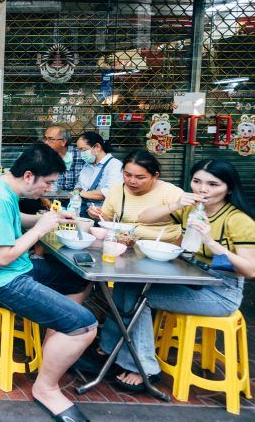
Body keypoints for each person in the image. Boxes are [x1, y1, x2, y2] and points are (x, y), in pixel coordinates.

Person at [95, 159, 254, 393]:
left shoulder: (237, 219)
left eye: (213, 184)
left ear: (228, 188)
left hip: (222, 292)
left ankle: (144, 368)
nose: (202, 189)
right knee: (125, 285)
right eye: (197, 182)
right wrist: (176, 204)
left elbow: (250, 270)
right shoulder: (191, 209)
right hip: (192, 278)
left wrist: (211, 241)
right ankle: (110, 348)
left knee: (141, 299)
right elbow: (145, 217)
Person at [0, 143, 94, 422]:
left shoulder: (1, 185)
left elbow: (15, 220)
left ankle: (58, 343)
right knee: (86, 326)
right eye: (47, 183)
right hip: (0, 280)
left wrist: (50, 219)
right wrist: (40, 229)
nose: (48, 189)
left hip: (15, 269)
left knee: (79, 279)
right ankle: (46, 387)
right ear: (28, 176)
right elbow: (2, 257)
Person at [87, 150, 184, 242]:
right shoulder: (117, 190)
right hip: (125, 246)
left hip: (163, 249)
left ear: (155, 176)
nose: (132, 181)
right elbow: (109, 222)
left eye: (140, 177)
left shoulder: (171, 192)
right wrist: (98, 214)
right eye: (127, 175)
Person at [73, 131, 123, 216]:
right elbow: (80, 185)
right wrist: (76, 192)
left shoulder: (114, 165)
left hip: (101, 214)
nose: (81, 154)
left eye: (83, 150)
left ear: (97, 147)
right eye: (79, 150)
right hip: (83, 210)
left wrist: (80, 194)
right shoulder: (87, 165)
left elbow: (109, 193)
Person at [43, 126, 84, 193]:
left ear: (63, 142)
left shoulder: (80, 155)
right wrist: (44, 200)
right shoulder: (42, 156)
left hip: (76, 198)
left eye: (51, 139)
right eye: (45, 139)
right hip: (50, 197)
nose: (46, 143)